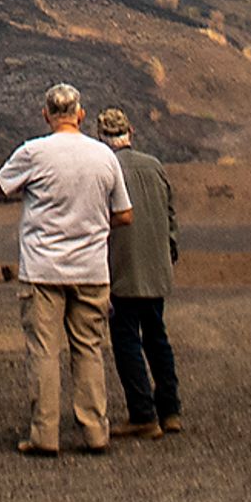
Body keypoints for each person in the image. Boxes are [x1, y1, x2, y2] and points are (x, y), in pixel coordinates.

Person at [0, 82, 130, 456]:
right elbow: (124, 213)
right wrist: (93, 225)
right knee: (89, 349)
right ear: (81, 114)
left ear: (45, 114)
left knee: (44, 351)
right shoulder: (104, 157)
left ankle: (44, 433)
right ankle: (95, 430)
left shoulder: (33, 152)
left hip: (42, 269)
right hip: (91, 268)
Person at [97, 105, 183, 438]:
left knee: (126, 340)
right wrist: (168, 251)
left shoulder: (105, 170)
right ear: (131, 131)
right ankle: (170, 409)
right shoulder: (155, 166)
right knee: (157, 337)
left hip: (121, 270)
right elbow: (171, 214)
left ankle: (143, 413)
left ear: (101, 137)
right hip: (156, 267)